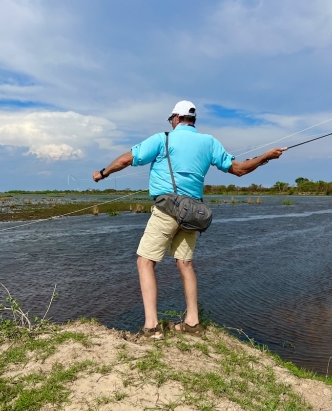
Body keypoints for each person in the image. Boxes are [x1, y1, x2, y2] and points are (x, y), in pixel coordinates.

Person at [93, 100, 286, 339]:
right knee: (184, 264)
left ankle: (152, 327)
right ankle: (192, 323)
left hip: (167, 209)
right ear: (192, 120)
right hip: (193, 213)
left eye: (171, 120)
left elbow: (125, 160)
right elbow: (240, 169)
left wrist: (103, 173)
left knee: (145, 262)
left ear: (175, 118)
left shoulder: (163, 138)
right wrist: (266, 156)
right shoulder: (209, 142)